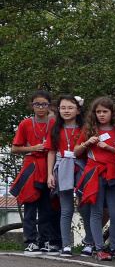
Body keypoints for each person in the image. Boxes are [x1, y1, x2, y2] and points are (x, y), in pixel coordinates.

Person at [76, 96, 115, 261]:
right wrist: (87, 143)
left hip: (113, 173)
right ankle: (98, 248)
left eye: (105, 111)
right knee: (96, 212)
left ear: (111, 113)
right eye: (98, 111)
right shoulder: (89, 130)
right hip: (94, 173)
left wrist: (110, 148)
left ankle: (114, 247)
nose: (101, 115)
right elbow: (76, 152)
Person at [11, 91, 61, 255]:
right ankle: (30, 242)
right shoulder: (25, 124)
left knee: (48, 206)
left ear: (49, 106)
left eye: (44, 104)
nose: (41, 107)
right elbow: (15, 148)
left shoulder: (54, 123)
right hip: (31, 165)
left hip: (49, 165)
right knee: (30, 205)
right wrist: (33, 148)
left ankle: (45, 240)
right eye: (37, 104)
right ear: (31, 105)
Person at [46, 95, 92, 257]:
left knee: (86, 206)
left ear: (78, 110)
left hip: (81, 167)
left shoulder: (86, 128)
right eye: (63, 108)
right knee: (66, 209)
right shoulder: (55, 128)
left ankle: (89, 243)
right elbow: (51, 151)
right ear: (58, 110)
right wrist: (50, 174)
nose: (67, 111)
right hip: (63, 166)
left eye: (70, 107)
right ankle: (66, 244)